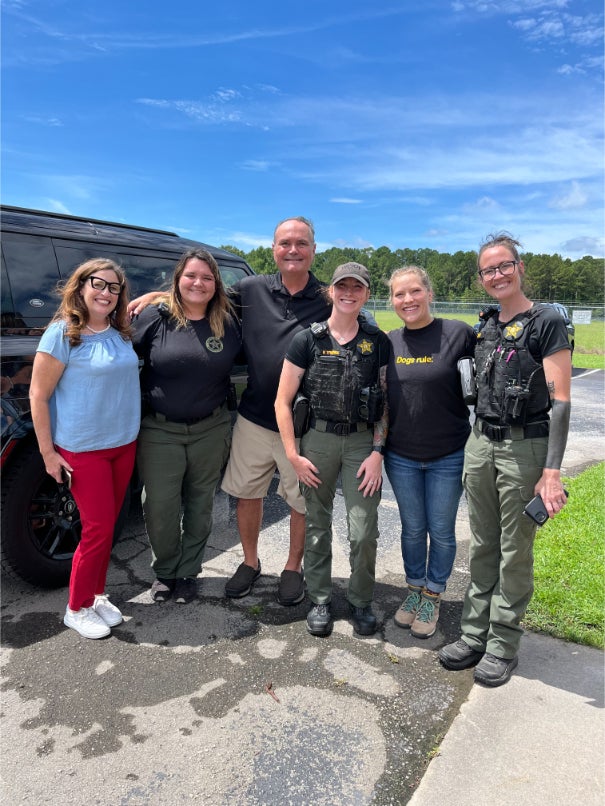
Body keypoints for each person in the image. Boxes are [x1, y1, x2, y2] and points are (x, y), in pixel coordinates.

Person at [128, 217, 332, 606]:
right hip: (254, 415)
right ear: (273, 249)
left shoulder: (326, 297)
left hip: (304, 421)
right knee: (247, 494)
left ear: (313, 249)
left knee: (300, 500)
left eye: (301, 243)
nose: (292, 249)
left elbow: (356, 319)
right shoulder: (252, 289)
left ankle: (293, 568)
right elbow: (199, 296)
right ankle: (250, 562)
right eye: (285, 242)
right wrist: (158, 296)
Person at [439, 233, 572, 687]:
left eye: (503, 266)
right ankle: (474, 633)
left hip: (524, 446)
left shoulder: (546, 321)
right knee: (483, 543)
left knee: (515, 550)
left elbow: (562, 402)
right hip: (481, 442)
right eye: (488, 269)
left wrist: (551, 472)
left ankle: (502, 644)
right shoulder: (487, 324)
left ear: (519, 267)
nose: (496, 275)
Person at [274, 262, 390, 636]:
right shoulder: (307, 340)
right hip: (318, 439)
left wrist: (377, 452)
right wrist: (293, 454)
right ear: (332, 291)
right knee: (318, 525)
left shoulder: (378, 342)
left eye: (358, 287)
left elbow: (385, 401)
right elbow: (282, 400)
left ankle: (360, 600)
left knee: (363, 530)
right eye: (343, 286)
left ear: (367, 294)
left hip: (361, 443)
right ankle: (320, 598)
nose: (349, 293)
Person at [29, 259, 140, 639]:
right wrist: (48, 454)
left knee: (108, 528)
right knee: (95, 528)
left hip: (123, 444)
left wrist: (158, 292)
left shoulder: (120, 331)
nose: (106, 293)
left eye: (114, 288)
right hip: (83, 449)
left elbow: (161, 297)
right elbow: (38, 395)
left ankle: (95, 596)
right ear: (80, 286)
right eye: (99, 284)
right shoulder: (62, 333)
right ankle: (75, 608)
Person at [132, 249, 242, 603]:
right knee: (159, 505)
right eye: (191, 276)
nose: (199, 283)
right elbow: (117, 348)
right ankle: (165, 571)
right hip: (160, 429)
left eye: (207, 278)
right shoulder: (155, 317)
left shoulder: (228, 321)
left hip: (211, 427)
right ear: (177, 279)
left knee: (200, 504)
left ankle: (188, 572)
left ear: (216, 285)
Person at [384, 266, 475, 638]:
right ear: (391, 300)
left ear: (429, 293)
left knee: (440, 530)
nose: (408, 300)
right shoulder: (388, 342)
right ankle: (413, 590)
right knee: (411, 529)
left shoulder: (458, 333)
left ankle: (433, 595)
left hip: (448, 454)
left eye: (414, 291)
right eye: (399, 294)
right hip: (401, 454)